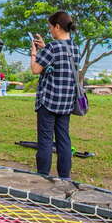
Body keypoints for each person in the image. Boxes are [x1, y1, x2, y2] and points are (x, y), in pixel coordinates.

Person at [30, 11, 79, 180]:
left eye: (51, 27)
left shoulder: (52, 47)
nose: (50, 30)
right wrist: (44, 48)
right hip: (66, 102)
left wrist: (34, 53)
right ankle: (65, 177)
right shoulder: (74, 47)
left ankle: (43, 175)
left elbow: (36, 69)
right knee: (63, 139)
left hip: (49, 100)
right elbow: (60, 60)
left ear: (57, 26)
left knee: (45, 140)